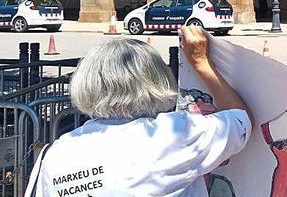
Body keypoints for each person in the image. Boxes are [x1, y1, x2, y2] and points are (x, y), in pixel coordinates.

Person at [25, 26, 252, 196]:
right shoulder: (172, 136)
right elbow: (242, 122)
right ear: (156, 81)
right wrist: (201, 63)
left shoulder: (56, 152)